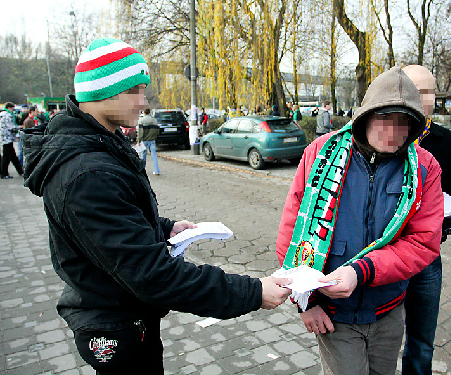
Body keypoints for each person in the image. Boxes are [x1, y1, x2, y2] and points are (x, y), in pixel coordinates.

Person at [22, 37, 292, 374]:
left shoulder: (102, 145)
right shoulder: (87, 173)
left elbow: (117, 219)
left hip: (126, 315)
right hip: (116, 326)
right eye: (135, 90)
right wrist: (252, 292)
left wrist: (164, 228)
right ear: (105, 92)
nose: (144, 102)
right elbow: (152, 275)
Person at [276, 67, 444, 375]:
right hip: (334, 315)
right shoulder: (320, 153)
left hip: (388, 311)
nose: (395, 132)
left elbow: (423, 242)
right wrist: (305, 302)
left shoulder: (425, 166)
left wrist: (362, 270)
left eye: (404, 123)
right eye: (385, 120)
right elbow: (292, 231)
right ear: (366, 116)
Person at [401, 65, 451, 375]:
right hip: (377, 255)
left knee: (421, 343)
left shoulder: (446, 143)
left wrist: (446, 222)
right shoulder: (378, 138)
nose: (420, 98)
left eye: (428, 92)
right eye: (413, 90)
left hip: (426, 258)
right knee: (375, 338)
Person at [1, 102, 23, 179]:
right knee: (6, 157)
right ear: (10, 107)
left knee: (13, 156)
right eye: (13, 108)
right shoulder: (8, 115)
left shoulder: (2, 114)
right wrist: (20, 127)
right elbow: (11, 127)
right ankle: (4, 173)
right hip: (8, 138)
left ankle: (20, 170)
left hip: (4, 137)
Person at [137, 108, 161, 175]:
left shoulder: (141, 120)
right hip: (152, 140)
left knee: (143, 155)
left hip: (144, 140)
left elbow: (140, 132)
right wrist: (155, 137)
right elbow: (157, 131)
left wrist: (139, 140)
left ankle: (142, 169)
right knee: (154, 155)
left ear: (144, 112)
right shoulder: (154, 120)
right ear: (149, 112)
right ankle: (156, 171)